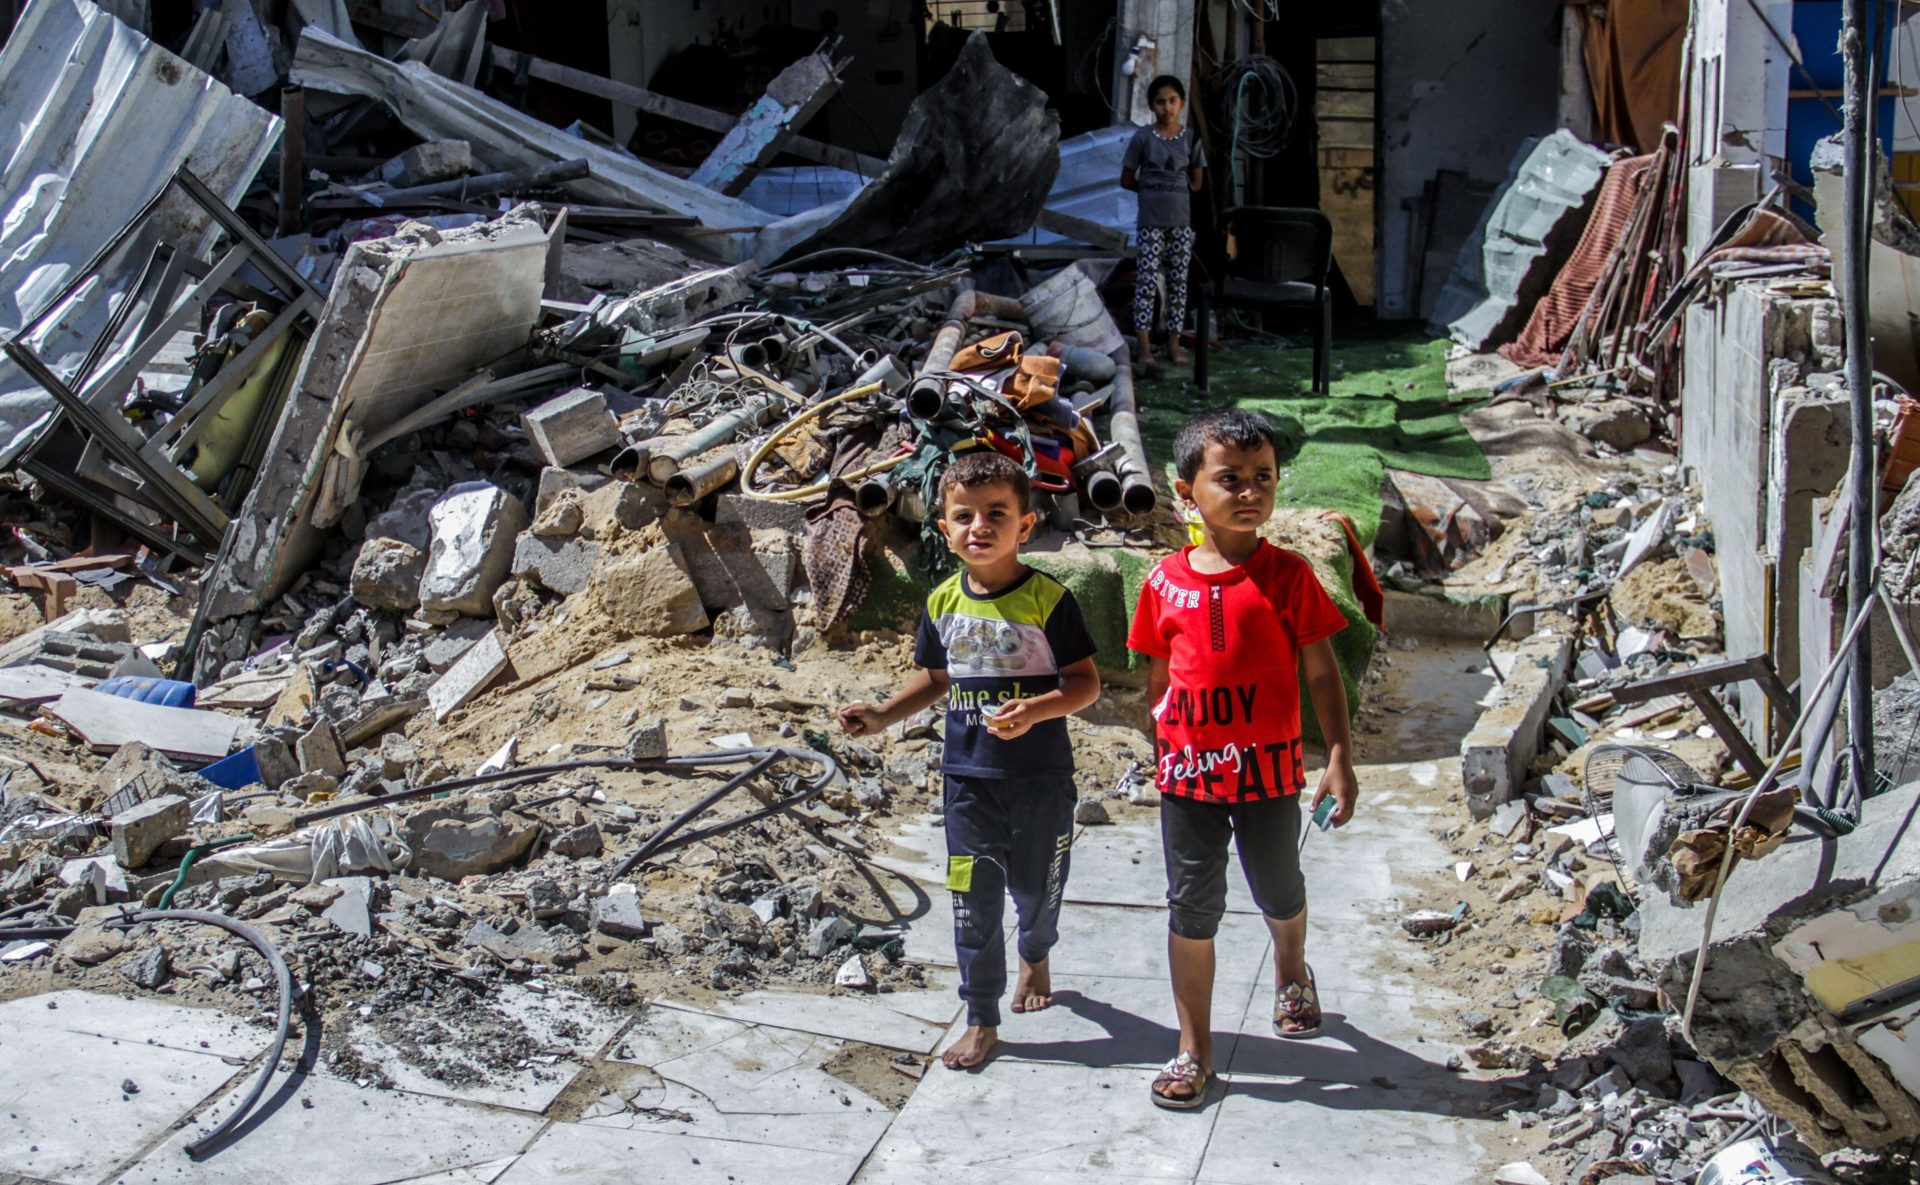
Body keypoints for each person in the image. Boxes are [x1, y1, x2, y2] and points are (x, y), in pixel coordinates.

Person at [1124, 408, 1358, 1109]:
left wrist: (1339, 756)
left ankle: (1291, 966)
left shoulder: (1290, 578)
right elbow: (1159, 677)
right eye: (1231, 478)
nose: (1251, 491)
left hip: (1268, 778)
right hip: (1189, 782)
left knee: (1278, 888)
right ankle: (1194, 1048)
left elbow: (1321, 673)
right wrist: (1165, 743)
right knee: (1192, 907)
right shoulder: (1162, 583)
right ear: (1186, 490)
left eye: (1264, 478)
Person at [838, 451, 1101, 1070]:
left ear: (1026, 526)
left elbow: (1085, 683)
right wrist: (881, 715)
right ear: (943, 527)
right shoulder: (940, 603)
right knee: (972, 899)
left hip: (1039, 781)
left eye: (996, 514)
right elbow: (934, 679)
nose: (979, 526)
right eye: (964, 515)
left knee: (1036, 891)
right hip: (967, 786)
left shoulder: (1049, 600)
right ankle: (982, 1016)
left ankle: (1037, 951)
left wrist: (1035, 711)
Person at [1120, 73, 1206, 378]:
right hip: (1150, 224)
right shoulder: (1143, 138)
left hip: (1180, 224)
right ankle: (1144, 347)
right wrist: (1153, 192)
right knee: (1146, 284)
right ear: (1151, 106)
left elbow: (1197, 181)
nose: (1167, 107)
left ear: (1181, 103)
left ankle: (1174, 344)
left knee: (1178, 284)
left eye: (1172, 101)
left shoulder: (1191, 139)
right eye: (1160, 102)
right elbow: (1127, 178)